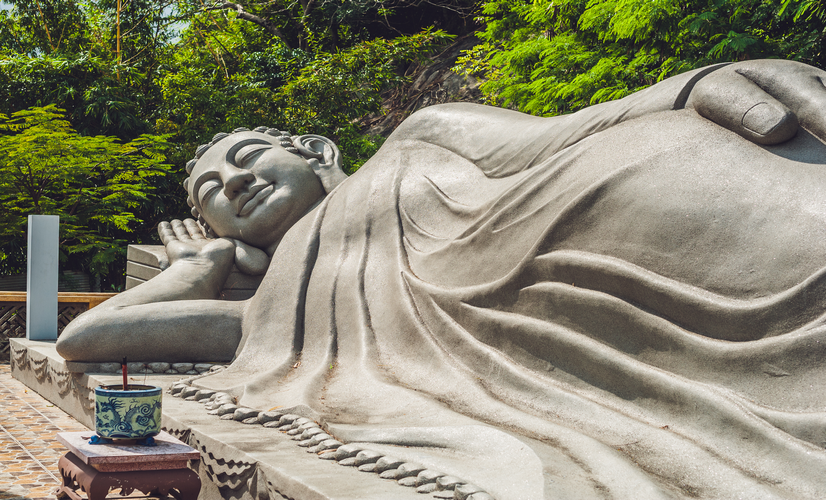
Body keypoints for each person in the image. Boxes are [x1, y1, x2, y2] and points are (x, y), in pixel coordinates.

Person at [58, 60, 826, 499]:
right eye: (208, 193)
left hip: (606, 204)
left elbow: (568, 133)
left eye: (248, 155)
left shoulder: (417, 137)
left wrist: (691, 85)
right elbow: (87, 338)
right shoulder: (277, 309)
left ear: (317, 150)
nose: (230, 182)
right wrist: (196, 269)